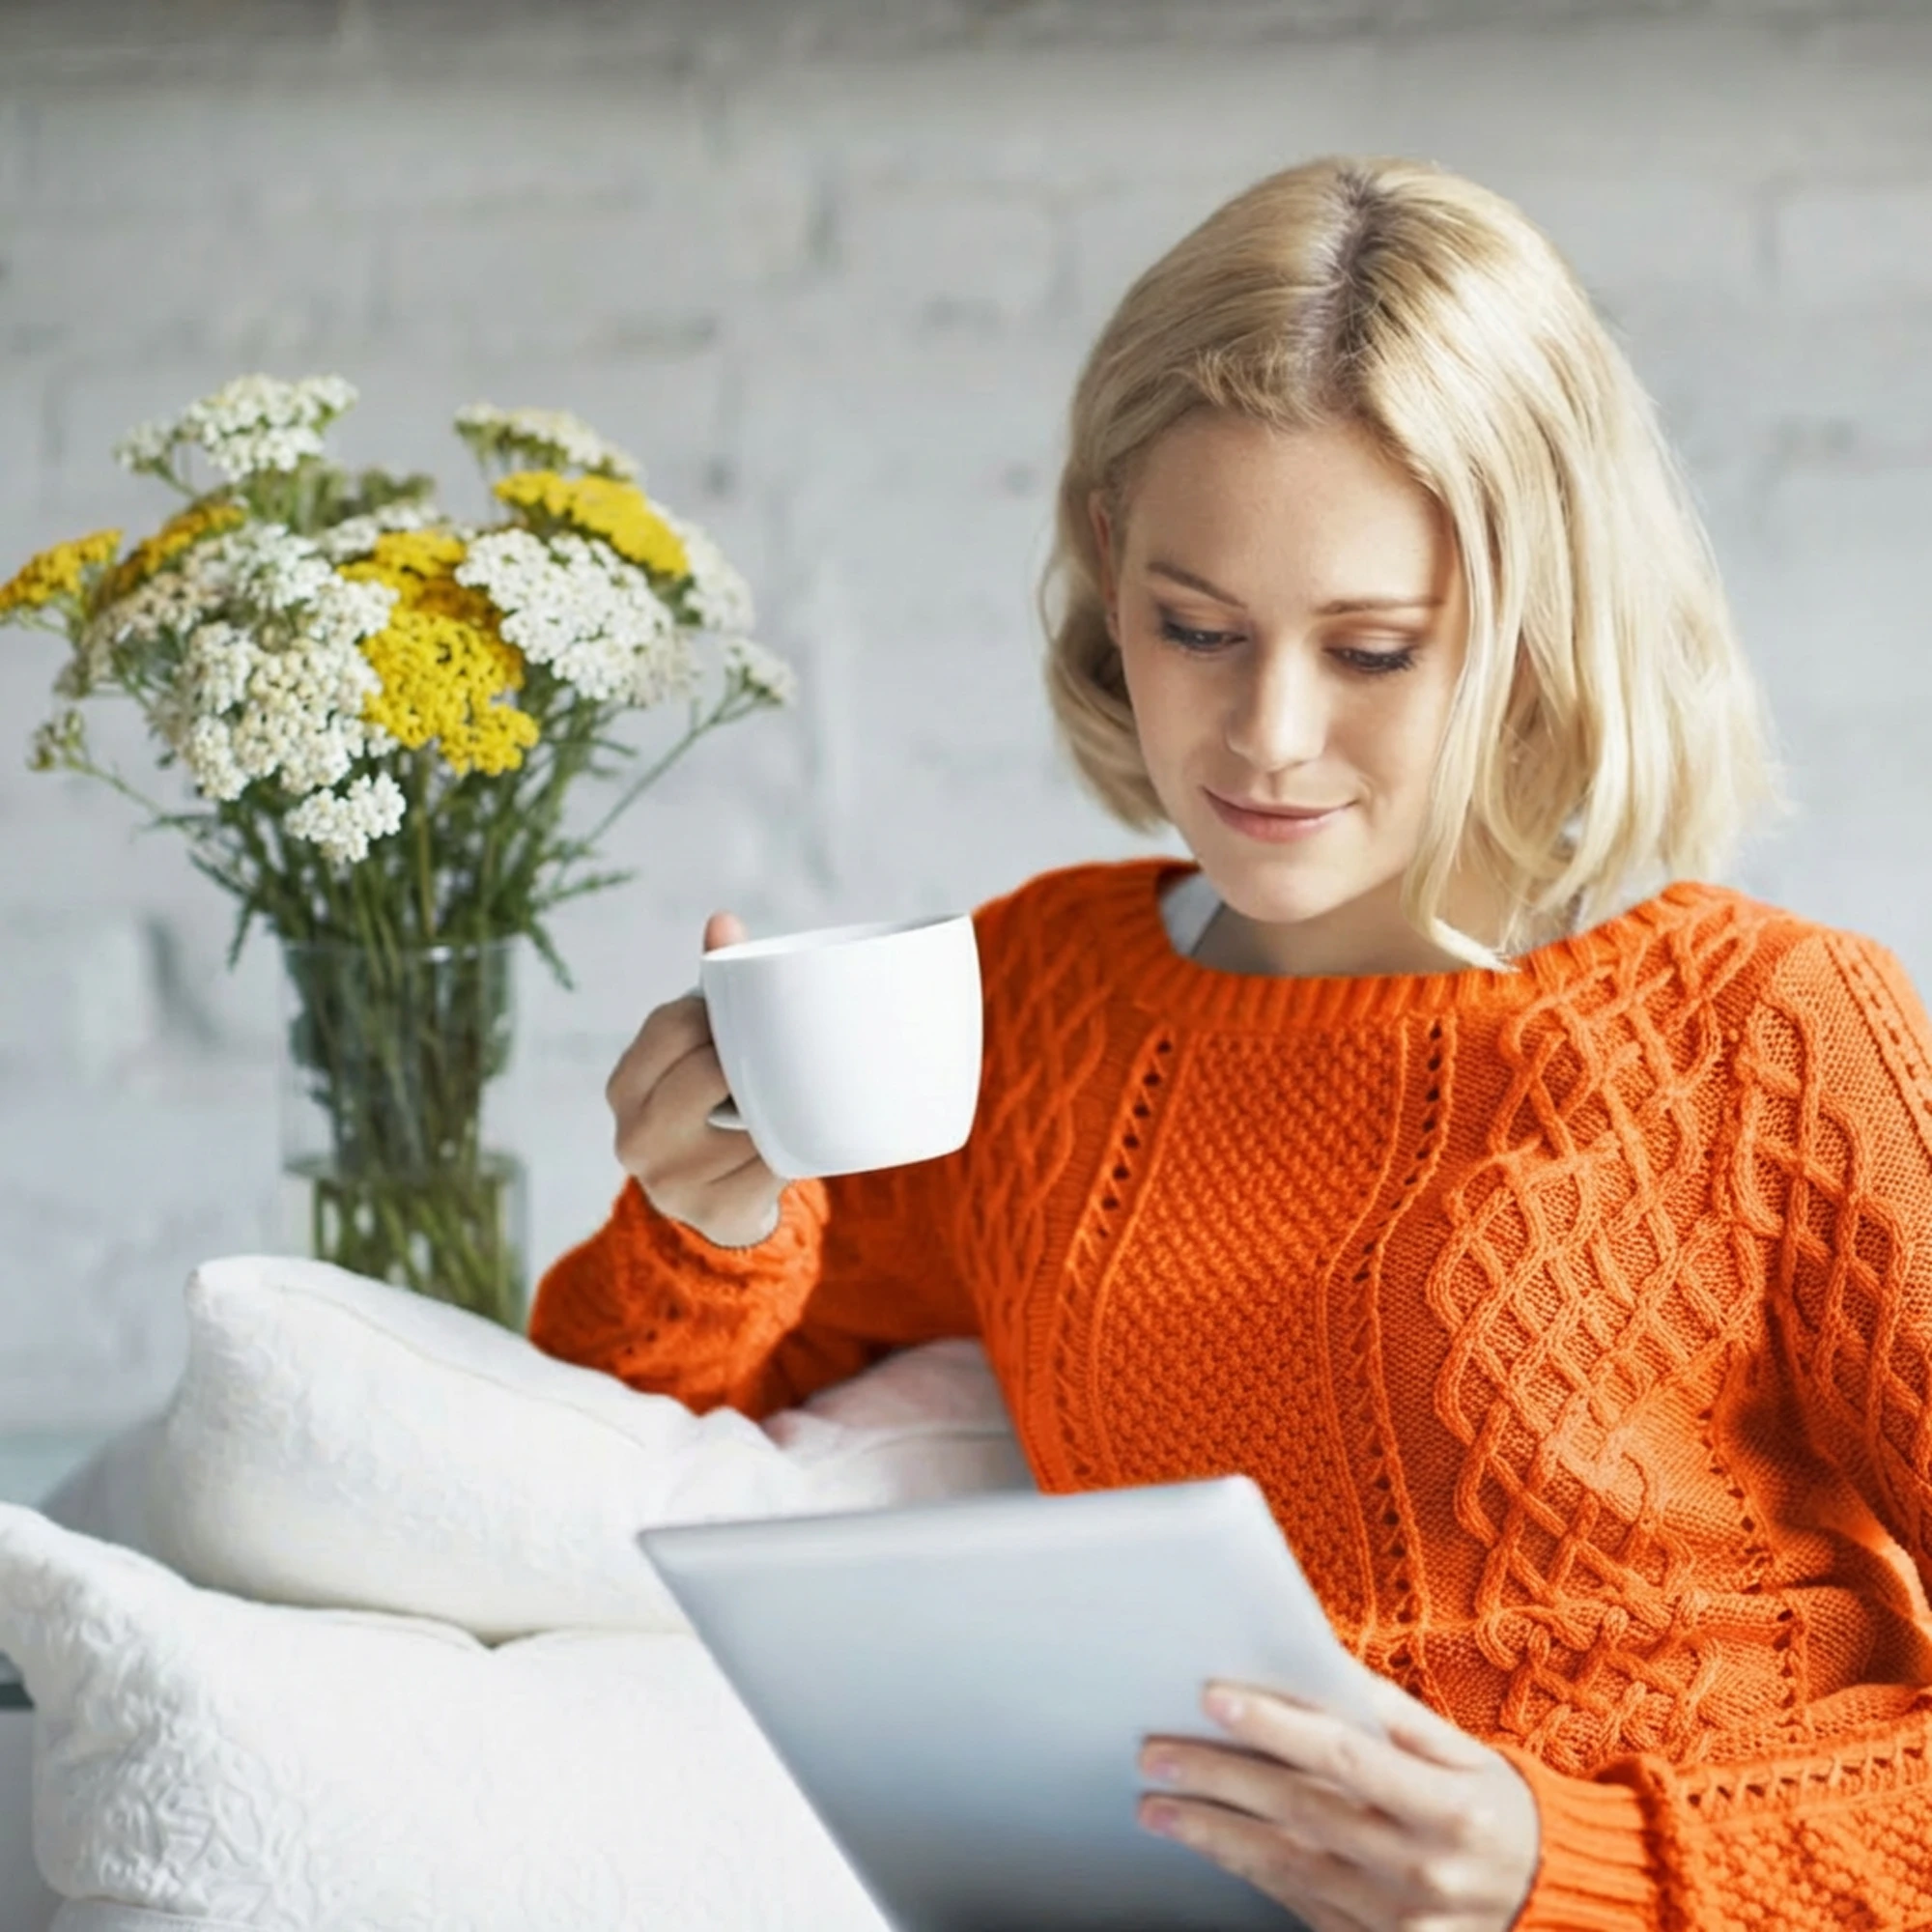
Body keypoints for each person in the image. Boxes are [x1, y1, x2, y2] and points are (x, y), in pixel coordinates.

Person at [529, 155, 1932, 1928]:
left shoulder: (1771, 1036)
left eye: (1373, 649)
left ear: (1533, 624)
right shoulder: (1032, 1006)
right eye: (1200, 629)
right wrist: (707, 1214)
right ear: (1109, 560)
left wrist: (1569, 1865)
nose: (1268, 737)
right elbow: (605, 1434)